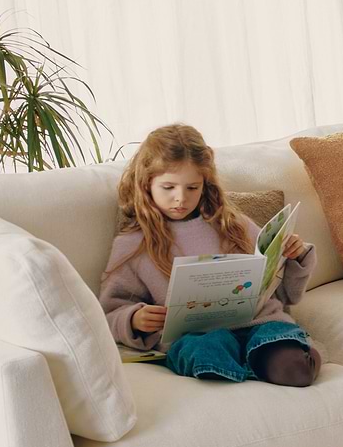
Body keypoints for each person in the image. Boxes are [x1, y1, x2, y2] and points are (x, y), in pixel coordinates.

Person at [99, 124, 321, 386]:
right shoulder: (133, 245)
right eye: (168, 187)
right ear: (146, 184)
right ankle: (245, 366)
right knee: (207, 356)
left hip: (260, 324)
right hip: (195, 337)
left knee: (295, 370)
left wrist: (295, 257)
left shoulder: (234, 225)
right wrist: (134, 319)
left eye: (192, 188)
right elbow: (108, 313)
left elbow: (284, 295)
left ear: (205, 185)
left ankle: (269, 359)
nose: (180, 198)